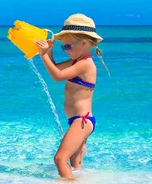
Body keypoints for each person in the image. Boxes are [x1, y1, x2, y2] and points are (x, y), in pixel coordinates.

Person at [35, 13, 110, 180]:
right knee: (75, 167)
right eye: (64, 47)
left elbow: (57, 76)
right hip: (77, 121)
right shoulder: (77, 61)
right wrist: (49, 53)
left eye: (68, 46)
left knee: (60, 159)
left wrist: (44, 55)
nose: (66, 51)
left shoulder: (85, 64)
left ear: (84, 43)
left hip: (81, 121)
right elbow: (55, 68)